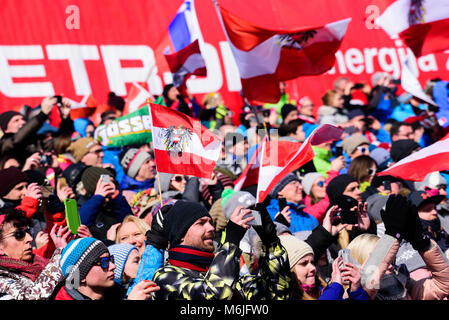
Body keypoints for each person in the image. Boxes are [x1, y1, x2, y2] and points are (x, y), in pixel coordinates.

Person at [152, 200, 291, 300]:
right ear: (180, 235)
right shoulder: (165, 277)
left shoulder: (228, 270)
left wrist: (271, 243)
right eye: (201, 223)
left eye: (211, 222)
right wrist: (231, 242)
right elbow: (214, 296)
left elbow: (278, 292)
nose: (211, 228)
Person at [359, 194, 449, 300]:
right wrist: (392, 235)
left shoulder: (406, 288)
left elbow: (444, 285)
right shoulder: (362, 294)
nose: (391, 266)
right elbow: (368, 284)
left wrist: (422, 242)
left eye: (392, 261)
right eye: (386, 262)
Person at [0, 208, 71, 300]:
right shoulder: (2, 277)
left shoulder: (41, 262)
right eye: (19, 234)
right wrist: (60, 255)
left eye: (28, 232)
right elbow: (32, 296)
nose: (30, 238)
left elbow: (74, 284)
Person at [279, 233, 369, 300]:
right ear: (287, 270)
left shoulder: (324, 291)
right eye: (304, 263)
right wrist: (336, 286)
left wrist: (356, 290)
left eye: (312, 262)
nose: (313, 268)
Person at [78, 166, 133, 242]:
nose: (111, 185)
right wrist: (98, 197)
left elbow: (129, 220)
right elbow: (81, 224)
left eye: (112, 182)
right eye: (105, 184)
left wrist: (115, 196)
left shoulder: (115, 203)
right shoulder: (84, 207)